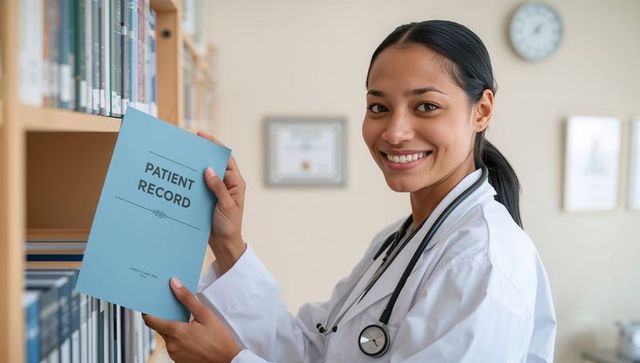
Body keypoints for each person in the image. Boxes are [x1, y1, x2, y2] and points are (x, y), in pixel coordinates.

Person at [143, 20, 557, 363]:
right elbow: (312, 351)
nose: (394, 132)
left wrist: (229, 360)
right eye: (378, 107)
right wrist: (227, 242)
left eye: (426, 106)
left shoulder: (483, 261)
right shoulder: (398, 240)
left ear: (481, 111)